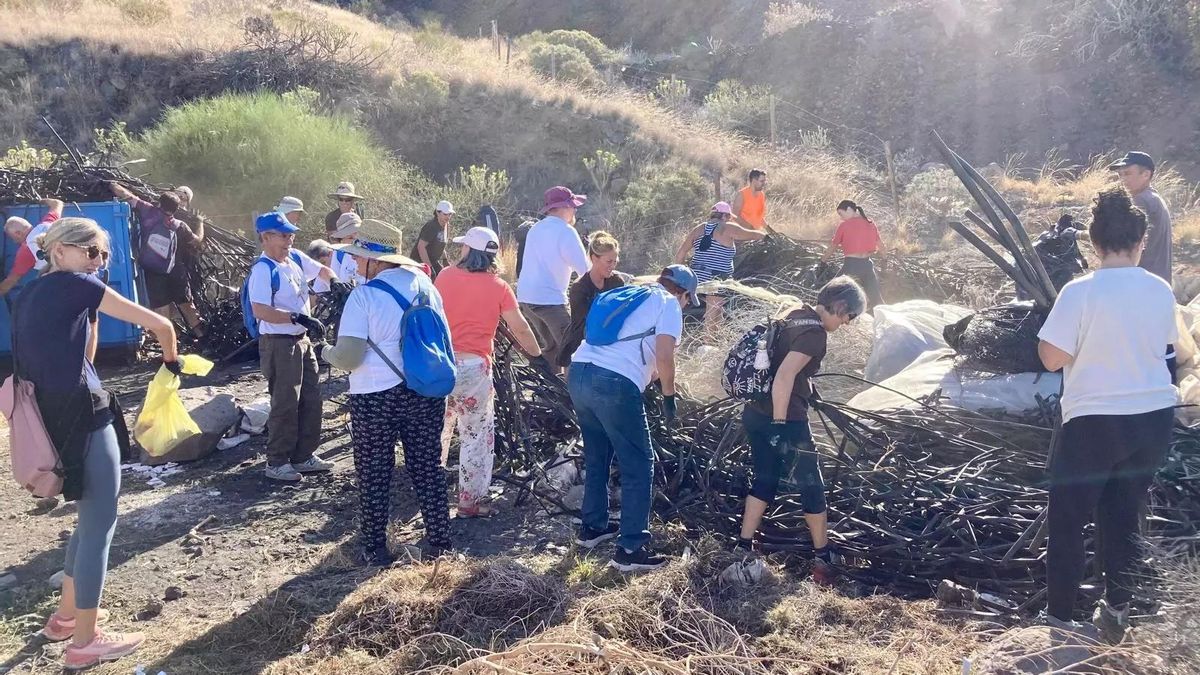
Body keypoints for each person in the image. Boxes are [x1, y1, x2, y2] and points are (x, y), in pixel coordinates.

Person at [16, 218, 179, 670]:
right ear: (61, 251)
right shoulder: (77, 286)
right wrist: (172, 363)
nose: (99, 262)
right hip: (86, 417)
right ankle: (86, 642)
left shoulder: (29, 293)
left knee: (88, 519)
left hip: (51, 418)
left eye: (104, 255)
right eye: (91, 252)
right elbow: (160, 324)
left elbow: (70, 352)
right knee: (100, 523)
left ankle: (67, 618)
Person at [1036, 188, 1178, 643]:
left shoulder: (1080, 291)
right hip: (1154, 417)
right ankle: (1116, 612)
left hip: (1096, 419)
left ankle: (1059, 618)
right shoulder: (1160, 290)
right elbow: (1167, 351)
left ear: (1093, 245)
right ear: (1141, 243)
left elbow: (1051, 358)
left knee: (1068, 517)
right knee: (1122, 514)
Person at [322, 219, 453, 564]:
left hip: (375, 395)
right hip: (423, 389)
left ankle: (376, 549)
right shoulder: (427, 285)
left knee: (374, 472)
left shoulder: (363, 297)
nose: (352, 262)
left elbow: (349, 358)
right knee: (427, 466)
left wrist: (324, 351)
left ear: (375, 261)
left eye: (357, 256)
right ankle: (439, 542)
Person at [734, 276, 865, 585]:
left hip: (754, 412)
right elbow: (783, 376)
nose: (848, 323)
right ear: (840, 306)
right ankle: (823, 555)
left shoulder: (794, 313)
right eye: (850, 316)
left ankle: (742, 545)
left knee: (764, 477)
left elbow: (785, 364)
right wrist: (780, 425)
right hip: (785, 420)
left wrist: (808, 388)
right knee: (811, 484)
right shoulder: (815, 333)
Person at [569, 265, 698, 572]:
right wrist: (669, 400)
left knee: (597, 455)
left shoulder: (632, 295)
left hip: (579, 374)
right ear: (681, 293)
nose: (684, 306)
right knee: (639, 463)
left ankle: (593, 527)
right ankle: (631, 549)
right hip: (613, 383)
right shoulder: (668, 303)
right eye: (686, 300)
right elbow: (665, 356)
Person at [434, 226, 550, 517]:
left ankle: (429, 491)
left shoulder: (445, 276)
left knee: (438, 428)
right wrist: (537, 357)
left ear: (468, 251)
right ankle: (469, 503)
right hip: (474, 368)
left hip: (441, 364)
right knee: (476, 435)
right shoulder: (499, 287)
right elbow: (520, 327)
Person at [246, 212, 338, 482]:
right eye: (283, 235)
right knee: (286, 403)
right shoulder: (263, 270)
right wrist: (295, 316)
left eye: (291, 234)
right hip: (279, 343)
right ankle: (277, 461)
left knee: (311, 398)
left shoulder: (295, 258)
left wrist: (334, 281)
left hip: (301, 340)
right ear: (266, 237)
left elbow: (322, 269)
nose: (290, 239)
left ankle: (303, 455)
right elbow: (260, 309)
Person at [1110, 151, 1177, 381]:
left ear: (1146, 174)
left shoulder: (1141, 202)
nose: (1123, 179)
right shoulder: (1153, 197)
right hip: (1157, 283)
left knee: (1142, 345)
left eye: (1128, 173)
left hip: (1144, 283)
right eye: (1120, 174)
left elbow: (1120, 242)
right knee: (1160, 341)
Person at [109, 183, 206, 336]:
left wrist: (111, 184)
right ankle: (202, 337)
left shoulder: (148, 211)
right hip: (176, 269)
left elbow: (125, 195)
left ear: (160, 203)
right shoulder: (180, 225)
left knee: (161, 307)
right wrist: (200, 223)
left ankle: (169, 344)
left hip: (153, 270)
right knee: (187, 304)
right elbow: (197, 241)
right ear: (176, 208)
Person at [516, 186, 591, 370]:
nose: (574, 210)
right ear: (563, 207)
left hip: (526, 298)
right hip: (548, 300)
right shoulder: (566, 231)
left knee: (552, 348)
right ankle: (574, 393)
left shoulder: (535, 229)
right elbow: (585, 271)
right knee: (573, 349)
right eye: (572, 206)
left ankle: (551, 391)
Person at [675, 201, 766, 334]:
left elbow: (680, 254)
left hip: (696, 276)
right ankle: (708, 345)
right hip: (716, 278)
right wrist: (768, 236)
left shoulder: (699, 228)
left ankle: (715, 340)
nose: (729, 219)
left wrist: (681, 277)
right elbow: (753, 235)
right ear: (724, 216)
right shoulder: (728, 227)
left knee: (718, 311)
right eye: (729, 217)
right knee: (713, 314)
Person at [559, 231, 627, 368]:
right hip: (582, 341)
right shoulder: (579, 288)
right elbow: (582, 325)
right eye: (608, 261)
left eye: (615, 262)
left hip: (611, 336)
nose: (612, 266)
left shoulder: (616, 281)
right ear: (594, 258)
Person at [820, 200, 886, 309]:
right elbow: (881, 245)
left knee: (830, 293)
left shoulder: (844, 225)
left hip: (851, 266)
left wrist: (823, 261)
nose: (841, 218)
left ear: (850, 209)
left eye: (841, 214)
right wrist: (884, 259)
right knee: (876, 300)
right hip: (867, 266)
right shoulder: (870, 223)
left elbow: (833, 246)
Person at [0, 198, 64, 296]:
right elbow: (58, 203)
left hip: (62, 283)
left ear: (18, 233)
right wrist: (41, 200)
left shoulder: (27, 250)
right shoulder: (48, 223)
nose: (14, 241)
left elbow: (11, 281)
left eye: (13, 238)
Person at [1032, 214, 1089, 292]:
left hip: (1051, 275)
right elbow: (1075, 233)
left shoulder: (1068, 242)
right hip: (1047, 276)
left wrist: (1082, 260)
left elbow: (1078, 255)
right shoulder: (1065, 232)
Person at [411, 200, 455, 277]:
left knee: (444, 277)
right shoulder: (431, 226)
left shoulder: (446, 225)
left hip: (433, 260)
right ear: (438, 213)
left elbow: (441, 243)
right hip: (419, 262)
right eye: (445, 214)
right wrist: (429, 268)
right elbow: (421, 247)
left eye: (450, 214)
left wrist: (445, 260)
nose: (448, 217)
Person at [329, 212, 365, 285]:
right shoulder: (339, 253)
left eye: (358, 235)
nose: (355, 240)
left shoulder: (373, 252)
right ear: (342, 240)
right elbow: (335, 278)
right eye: (350, 238)